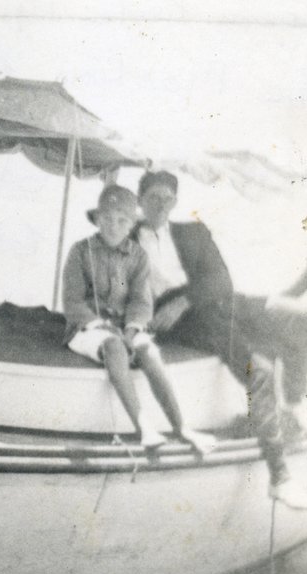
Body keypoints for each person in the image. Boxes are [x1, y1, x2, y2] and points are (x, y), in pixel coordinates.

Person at [133, 170, 307, 509]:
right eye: (153, 197)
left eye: (167, 198)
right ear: (139, 199)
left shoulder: (192, 231)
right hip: (189, 322)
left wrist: (184, 299)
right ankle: (281, 477)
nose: (160, 204)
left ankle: (292, 404)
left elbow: (222, 279)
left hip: (219, 302)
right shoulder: (127, 240)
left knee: (303, 318)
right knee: (256, 368)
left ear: (174, 202)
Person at [62, 184, 214, 452]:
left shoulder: (137, 255)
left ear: (131, 223)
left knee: (149, 351)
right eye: (106, 219)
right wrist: (104, 327)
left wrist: (132, 329)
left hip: (124, 326)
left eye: (122, 221)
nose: (113, 226)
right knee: (113, 346)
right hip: (86, 327)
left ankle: (183, 428)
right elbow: (72, 303)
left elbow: (141, 302)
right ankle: (144, 427)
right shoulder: (80, 251)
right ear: (97, 220)